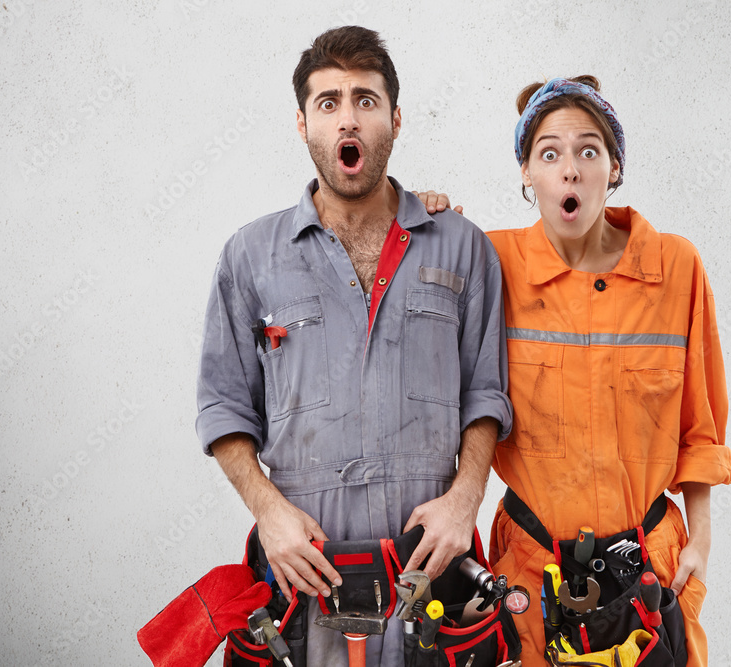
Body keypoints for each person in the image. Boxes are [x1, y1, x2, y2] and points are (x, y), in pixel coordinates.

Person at [195, 26, 512, 666]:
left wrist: (465, 498)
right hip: (302, 589)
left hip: (427, 586)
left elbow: (486, 392)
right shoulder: (251, 257)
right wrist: (270, 515)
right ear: (303, 123)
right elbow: (223, 408)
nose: (349, 117)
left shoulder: (462, 247)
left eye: (366, 100)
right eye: (329, 101)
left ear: (394, 119)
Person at [485, 76, 731, 666]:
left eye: (588, 150)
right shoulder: (490, 263)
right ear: (527, 173)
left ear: (614, 167)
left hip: (648, 571)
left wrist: (700, 535)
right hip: (532, 568)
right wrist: (430, 214)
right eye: (548, 153)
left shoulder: (675, 267)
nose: (569, 169)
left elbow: (700, 425)